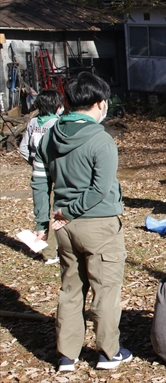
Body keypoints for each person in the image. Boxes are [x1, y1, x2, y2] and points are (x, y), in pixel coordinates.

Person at [31, 72, 131, 372]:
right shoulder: (101, 139)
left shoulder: (48, 134)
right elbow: (100, 188)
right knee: (105, 290)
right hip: (98, 223)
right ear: (101, 104)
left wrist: (43, 219)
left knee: (71, 289)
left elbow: (39, 180)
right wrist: (72, 210)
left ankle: (67, 355)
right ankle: (108, 352)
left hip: (64, 228)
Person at [19, 89, 65, 265]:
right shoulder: (57, 123)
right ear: (57, 107)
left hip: (38, 171)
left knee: (41, 209)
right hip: (54, 170)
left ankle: (41, 248)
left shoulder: (32, 123)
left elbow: (23, 148)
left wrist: (33, 162)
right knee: (56, 209)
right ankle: (51, 251)